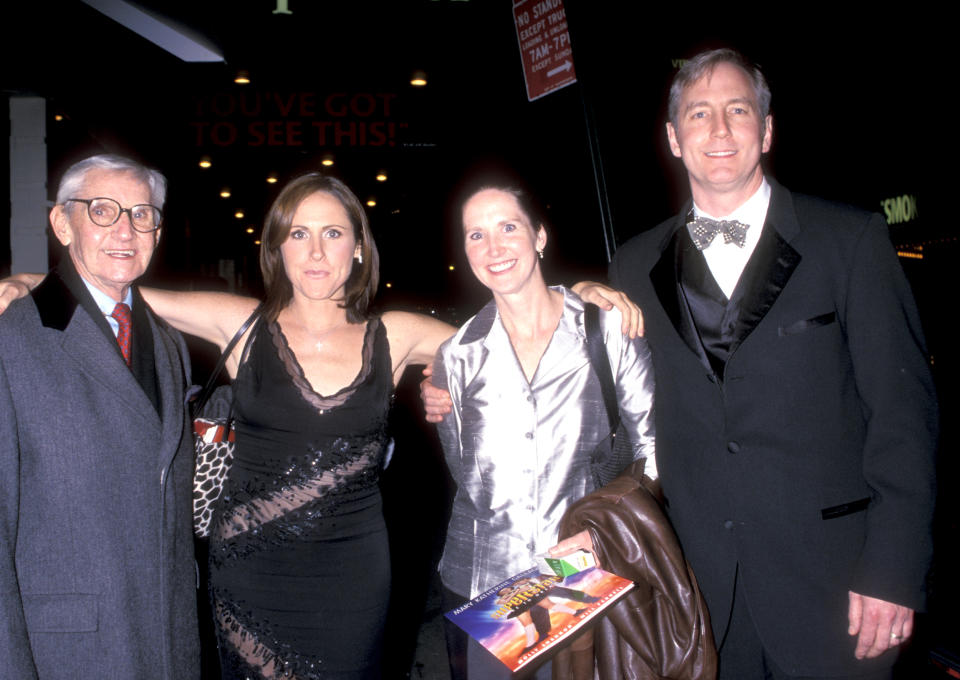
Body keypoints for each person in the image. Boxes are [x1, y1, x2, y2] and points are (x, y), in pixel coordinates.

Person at [0, 172, 640, 679]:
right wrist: (34, 281)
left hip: (369, 581)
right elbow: (118, 287)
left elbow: (518, 333)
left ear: (358, 247)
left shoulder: (398, 333)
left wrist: (581, 296)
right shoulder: (244, 325)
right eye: (298, 234)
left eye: (333, 234)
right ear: (276, 246)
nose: (315, 251)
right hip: (253, 578)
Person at [606, 49, 936, 679]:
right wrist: (456, 385)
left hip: (838, 588)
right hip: (699, 594)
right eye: (699, 114)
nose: (721, 130)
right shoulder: (632, 265)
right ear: (674, 139)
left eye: (738, 110)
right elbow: (608, 405)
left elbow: (903, 418)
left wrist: (894, 571)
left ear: (768, 128)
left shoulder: (849, 240)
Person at [434, 181, 656, 679]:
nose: (494, 248)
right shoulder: (458, 355)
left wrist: (604, 531)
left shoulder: (604, 329)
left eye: (508, 227)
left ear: (539, 236)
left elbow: (652, 446)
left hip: (581, 564)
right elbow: (465, 476)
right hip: (488, 581)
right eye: (476, 235)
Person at [0, 154, 200, 679]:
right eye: (103, 210)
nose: (126, 230)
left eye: (141, 213)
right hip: (68, 650)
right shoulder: (13, 338)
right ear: (62, 223)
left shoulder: (168, 343)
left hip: (167, 636)